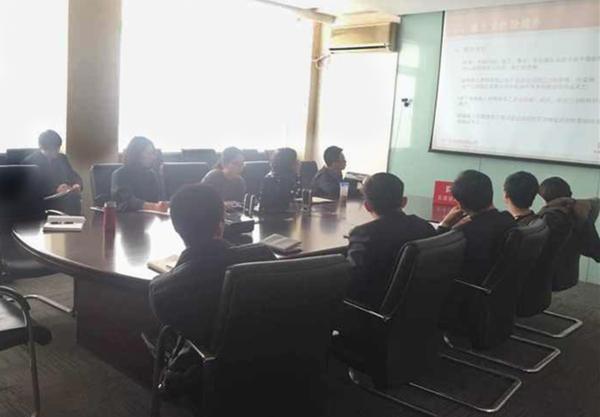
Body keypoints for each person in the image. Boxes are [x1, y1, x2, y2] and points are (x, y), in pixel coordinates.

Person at [149, 184, 274, 347]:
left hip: (210, 362)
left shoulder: (162, 290)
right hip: (269, 354)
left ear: (175, 227)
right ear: (221, 225)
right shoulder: (262, 256)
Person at [346, 173, 436, 309]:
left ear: (367, 206)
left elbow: (352, 281)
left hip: (371, 310)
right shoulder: (424, 226)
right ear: (404, 202)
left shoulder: (364, 234)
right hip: (416, 306)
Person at [438, 170, 516, 285]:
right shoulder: (508, 219)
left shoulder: (464, 234)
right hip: (500, 288)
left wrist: (444, 225)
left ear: (459, 204)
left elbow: (436, 258)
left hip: (466, 290)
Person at [537, 177, 600, 289]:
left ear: (542, 196)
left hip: (547, 281)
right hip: (570, 278)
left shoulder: (546, 220)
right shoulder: (580, 217)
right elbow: (595, 250)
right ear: (570, 194)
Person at [23, 130, 83, 215]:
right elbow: (30, 191)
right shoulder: (30, 162)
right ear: (41, 147)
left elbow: (73, 175)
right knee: (71, 201)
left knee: (74, 198)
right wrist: (55, 190)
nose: (55, 152)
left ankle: (74, 222)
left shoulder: (62, 158)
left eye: (57, 148)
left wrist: (77, 184)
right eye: (52, 149)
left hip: (64, 199)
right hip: (43, 203)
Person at [111, 136, 168, 212]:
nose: (153, 157)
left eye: (154, 154)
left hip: (151, 217)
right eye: (149, 153)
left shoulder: (151, 174)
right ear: (137, 154)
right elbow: (127, 201)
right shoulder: (120, 174)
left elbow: (159, 199)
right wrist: (154, 206)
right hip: (129, 218)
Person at [259, 147, 301, 212]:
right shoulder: (280, 180)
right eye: (296, 160)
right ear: (290, 163)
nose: (299, 162)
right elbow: (287, 204)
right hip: (279, 216)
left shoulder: (291, 177)